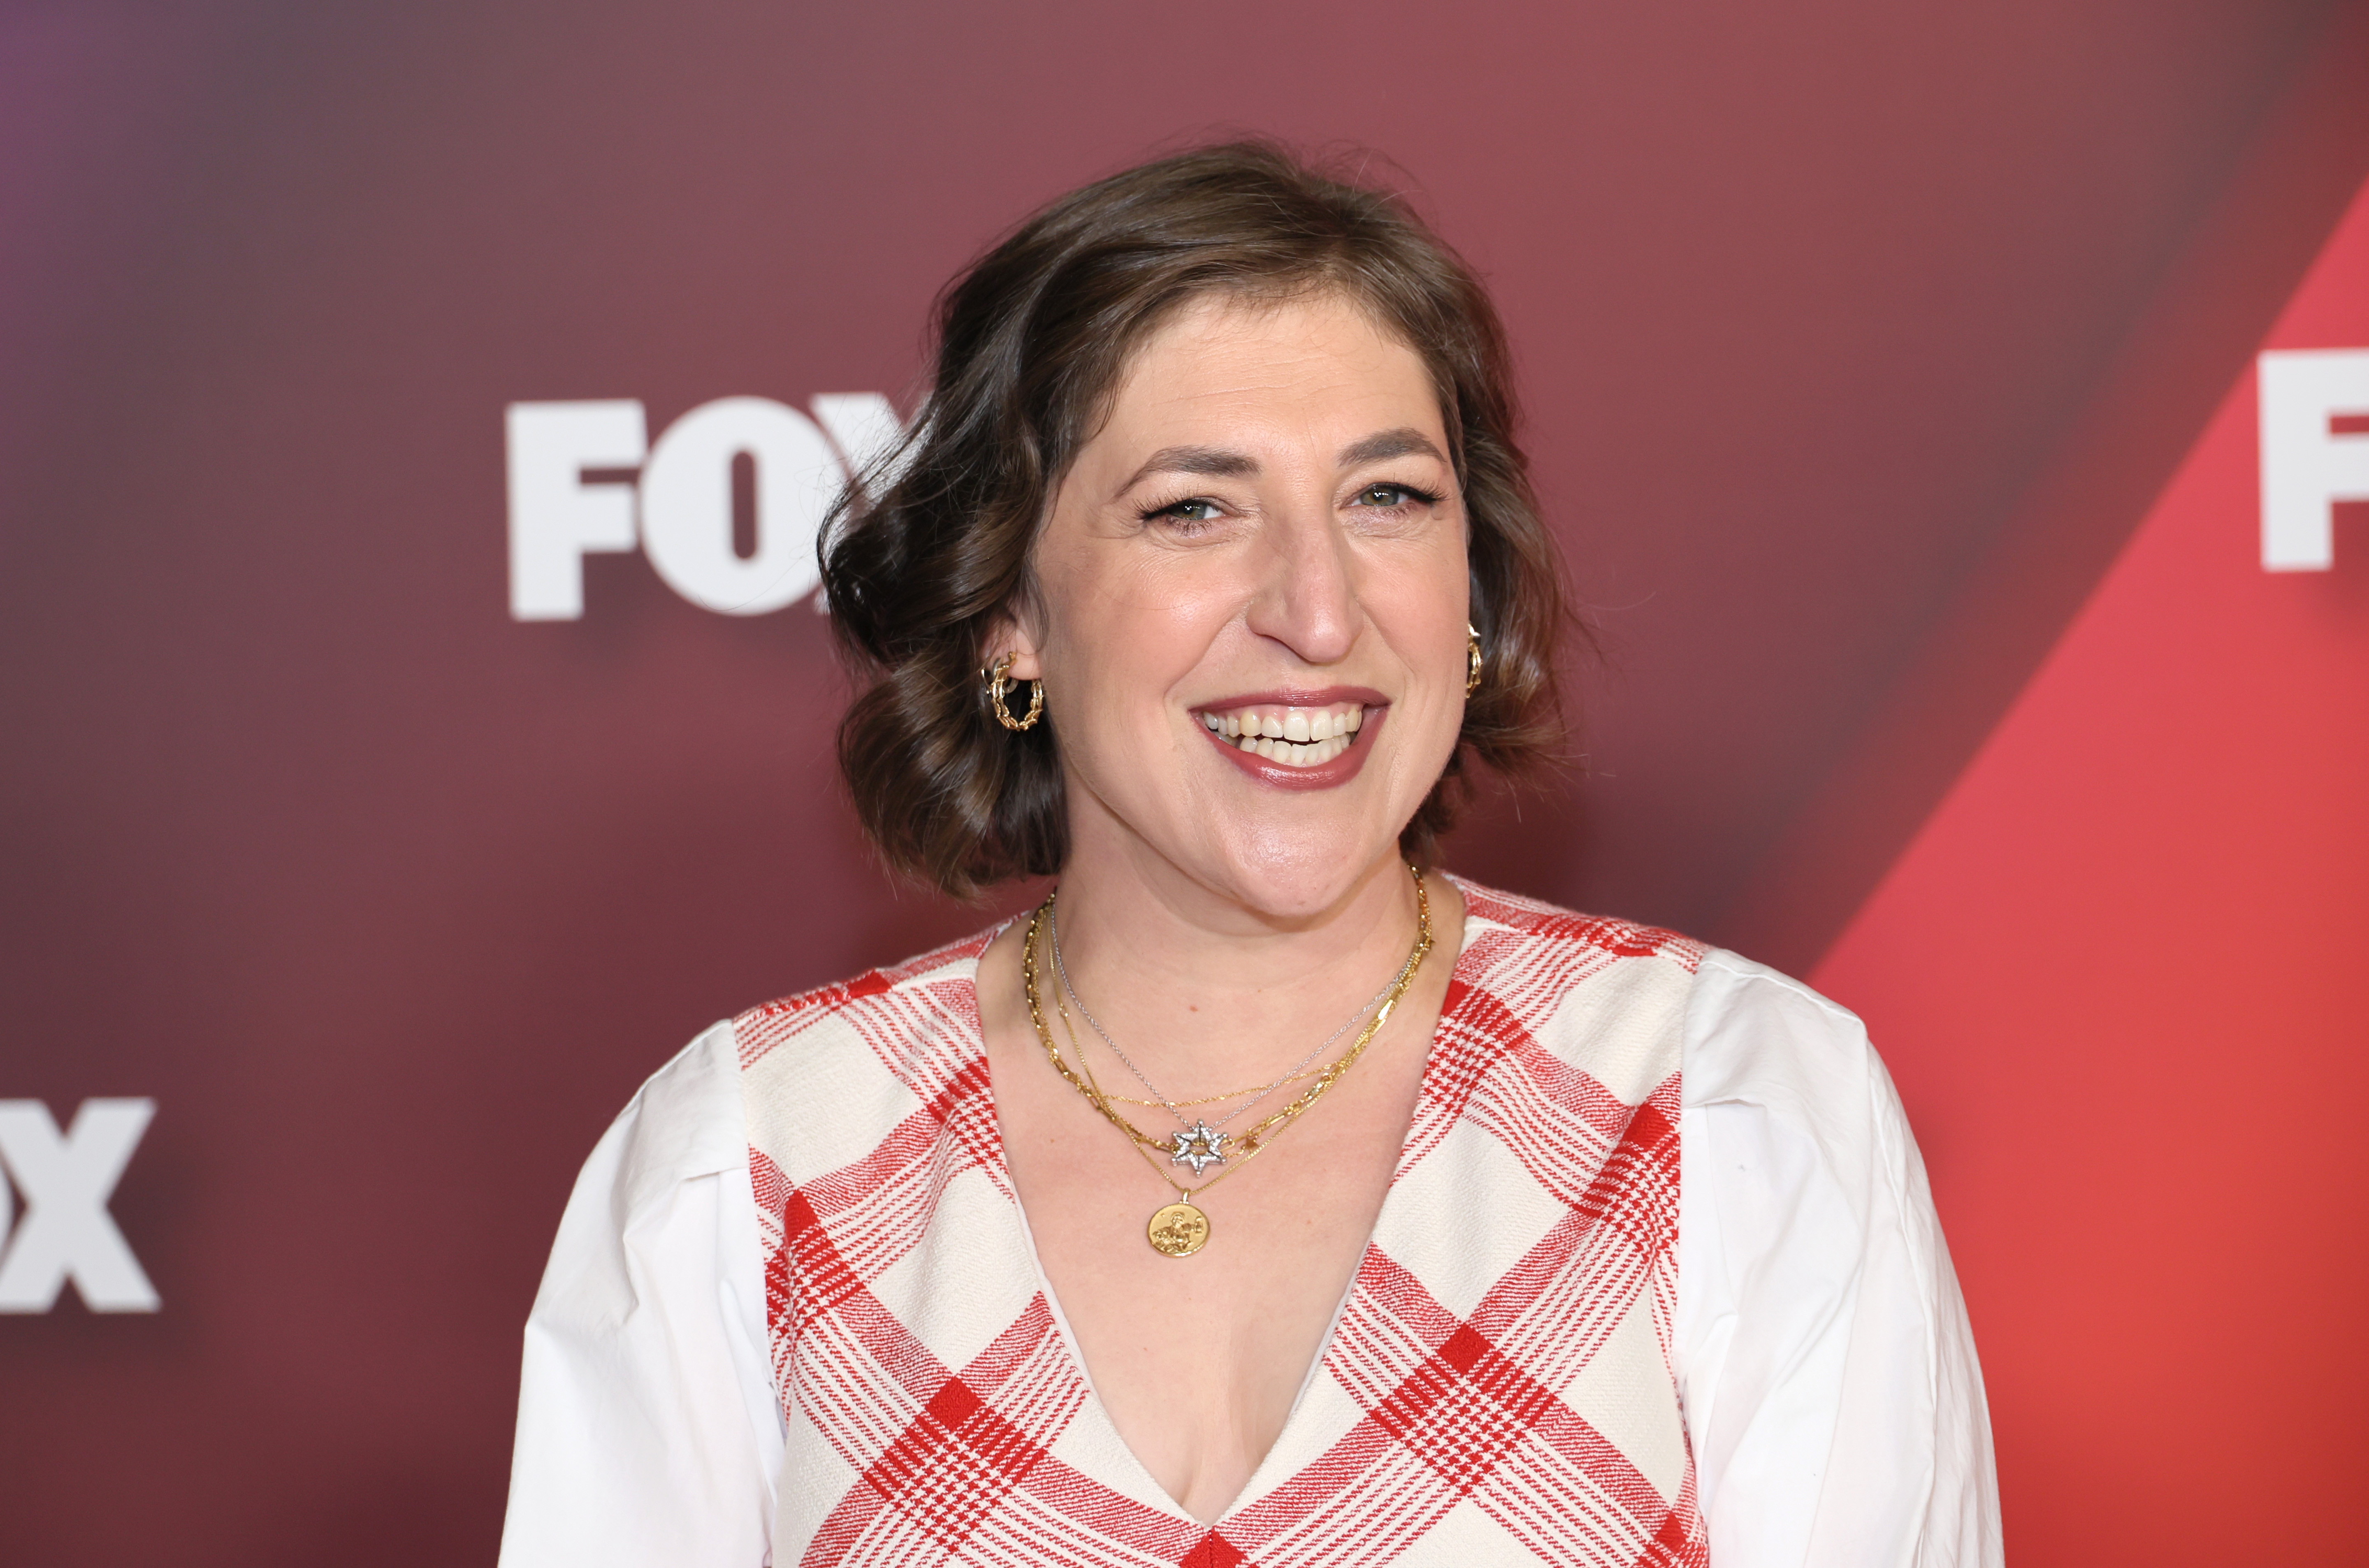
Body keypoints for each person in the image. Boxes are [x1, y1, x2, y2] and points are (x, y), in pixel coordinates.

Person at [498, 142, 2000, 1568]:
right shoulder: (745, 1166)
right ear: (1006, 615)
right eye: (1193, 509)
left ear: (1470, 594)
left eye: (1389, 498)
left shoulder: (1738, 1111)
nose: (1319, 609)